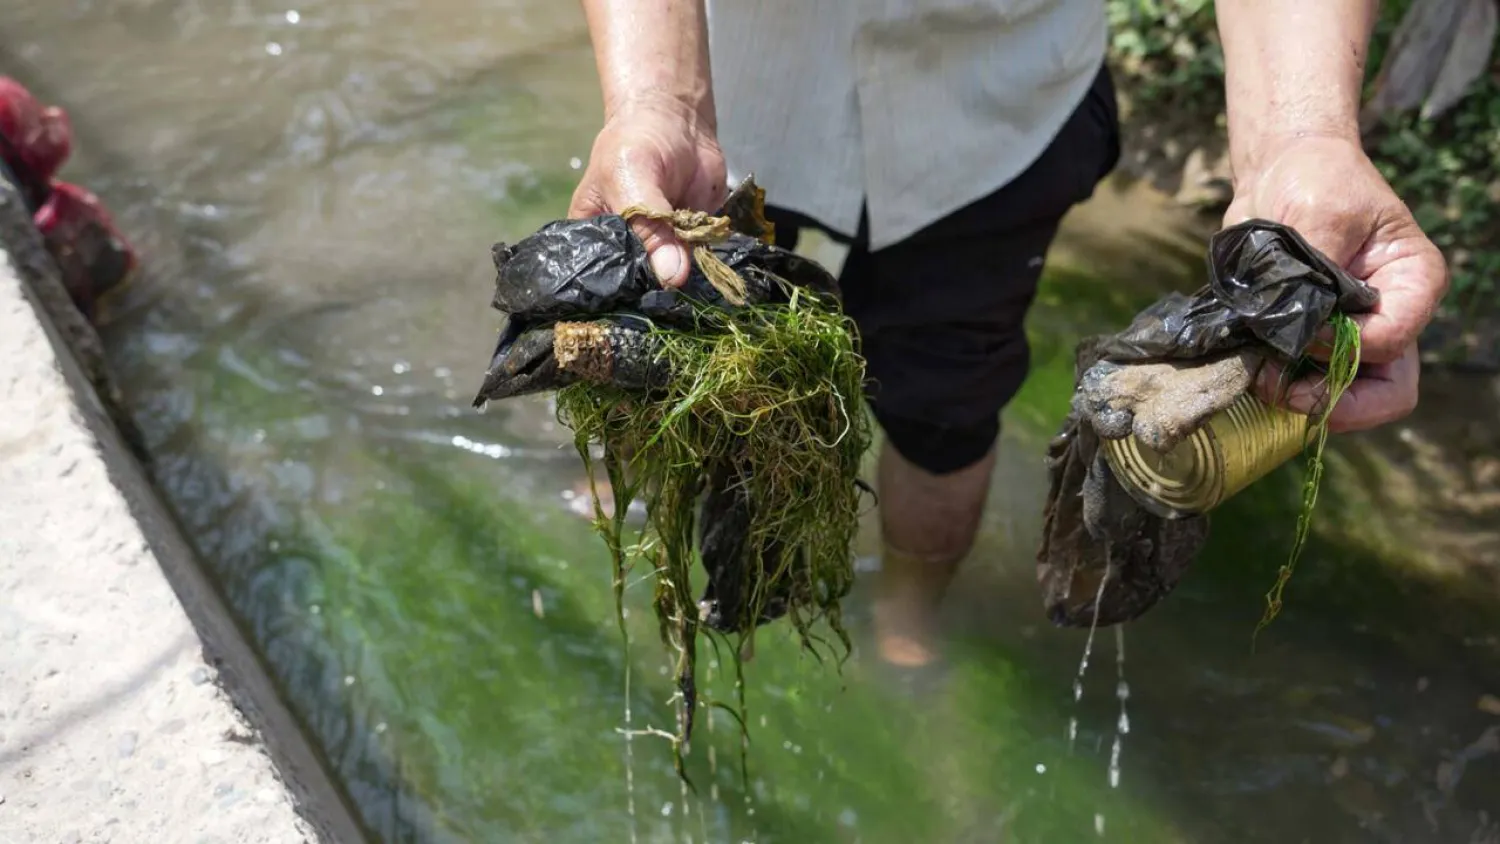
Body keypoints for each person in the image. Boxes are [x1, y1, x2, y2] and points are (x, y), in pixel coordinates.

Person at [566, 0, 1449, 668]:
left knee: (948, 395)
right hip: (733, 80)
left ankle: (909, 619)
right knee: (677, 328)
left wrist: (1302, 139)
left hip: (996, 100)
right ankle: (626, 490)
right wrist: (657, 101)